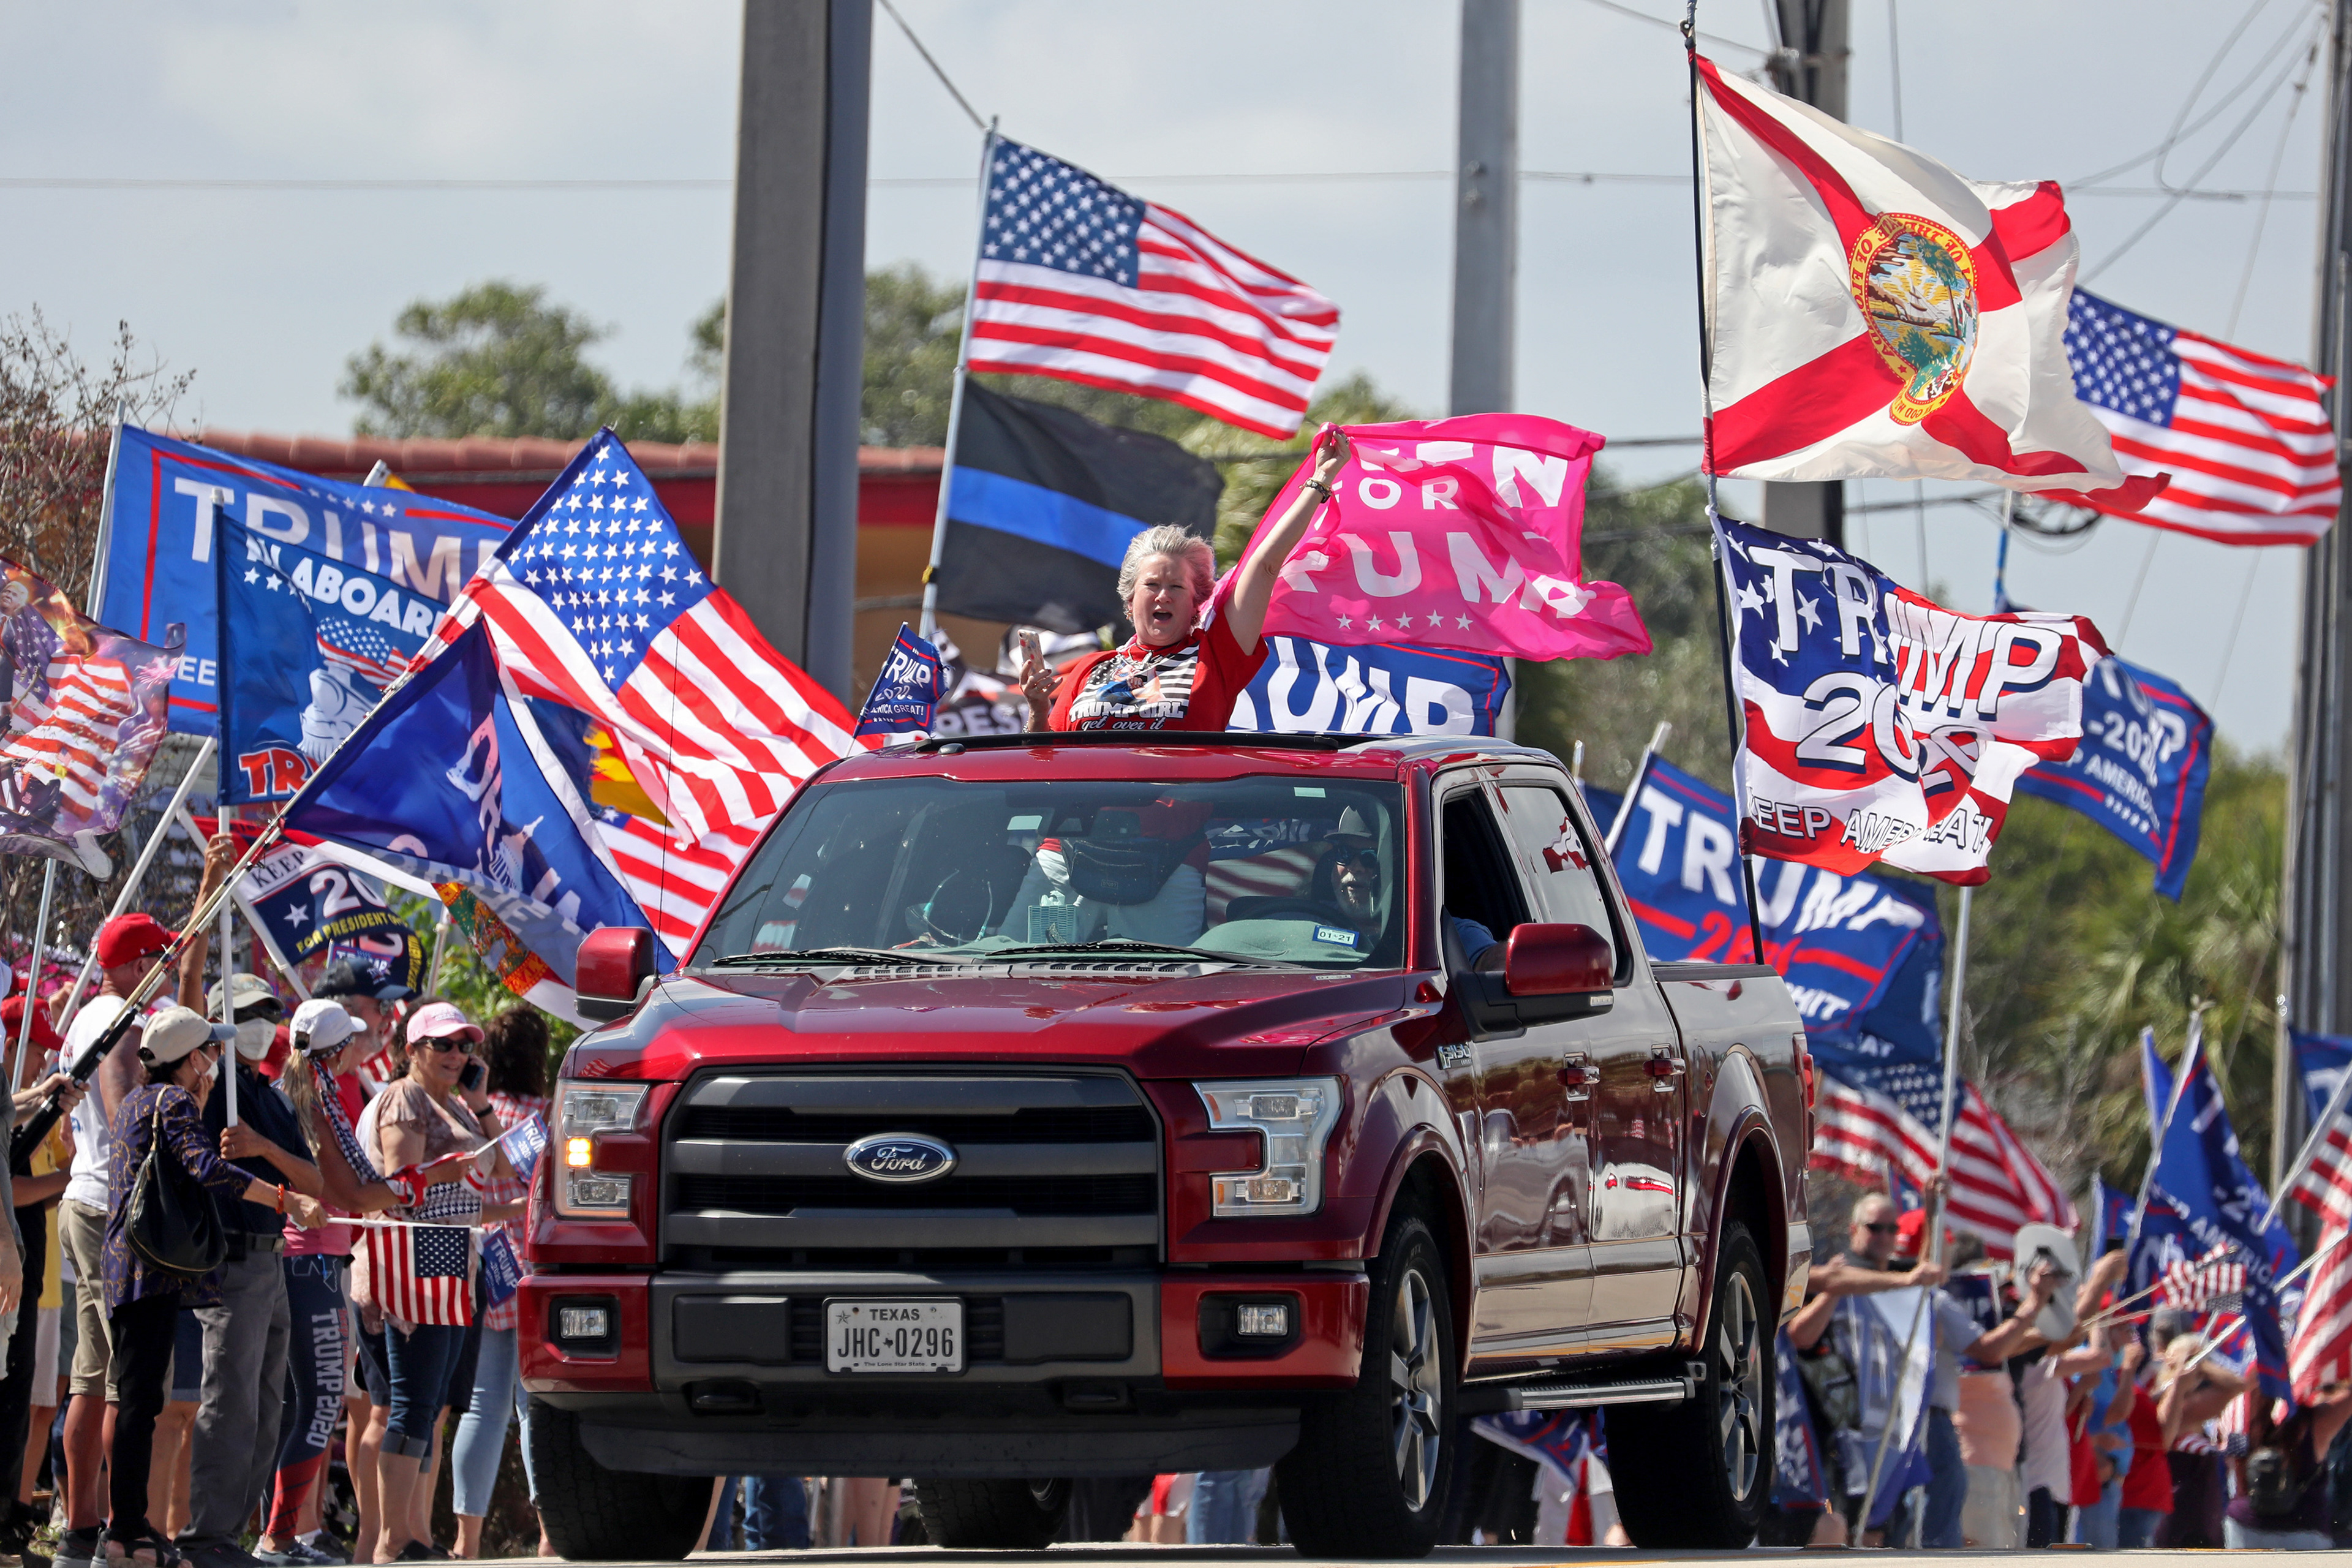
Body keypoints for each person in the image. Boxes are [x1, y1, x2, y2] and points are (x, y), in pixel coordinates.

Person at [55, 843, 233, 1568]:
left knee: (106, 1375)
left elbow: (186, 986)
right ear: (130, 967)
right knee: (116, 1380)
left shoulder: (121, 1012)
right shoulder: (111, 1017)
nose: (163, 973)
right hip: (111, 1213)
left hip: (99, 1206)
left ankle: (106, 1527)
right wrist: (187, 1113)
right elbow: (133, 1117)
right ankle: (101, 1529)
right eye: (154, 961)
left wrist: (210, 887)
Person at [100, 1007, 320, 1568]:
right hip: (147, 1273)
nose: (215, 1061)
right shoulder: (173, 1102)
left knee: (139, 1400)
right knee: (139, 1404)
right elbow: (207, 1168)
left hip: (133, 1268)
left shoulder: (137, 1101)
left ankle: (130, 1530)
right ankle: (124, 1534)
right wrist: (282, 1198)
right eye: (210, 1051)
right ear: (193, 1058)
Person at [233, 1001, 428, 1566]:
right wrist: (418, 1185)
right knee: (318, 1405)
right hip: (310, 1262)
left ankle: (285, 1535)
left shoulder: (299, 1089)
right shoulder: (318, 1097)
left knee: (301, 1406)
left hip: (308, 1260)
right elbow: (347, 1193)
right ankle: (277, 1538)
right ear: (339, 1052)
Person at [1021, 426, 1355, 732]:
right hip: (1089, 799)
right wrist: (1037, 710)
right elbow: (1048, 759)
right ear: (1129, 600)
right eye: (1151, 585)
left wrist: (1321, 479)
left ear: (1196, 602)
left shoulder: (1217, 656)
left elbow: (1265, 565)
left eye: (1176, 587)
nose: (1163, 596)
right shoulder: (1090, 669)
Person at [353, 1001, 517, 1563]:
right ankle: (391, 1540)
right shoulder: (405, 1097)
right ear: (412, 1050)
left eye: (465, 1046)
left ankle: (413, 1533)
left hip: (452, 1260)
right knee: (411, 1403)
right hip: (411, 1258)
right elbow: (401, 1182)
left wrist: (481, 1101)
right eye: (443, 1045)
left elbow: (505, 1173)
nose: (456, 1055)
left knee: (433, 1406)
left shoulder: (459, 1109)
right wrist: (447, 1172)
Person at [182, 974, 304, 1568]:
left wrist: (265, 1146)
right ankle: (207, 1534)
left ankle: (231, 1533)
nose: (264, 1020)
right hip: (229, 1257)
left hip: (272, 1257)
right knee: (229, 1401)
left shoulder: (270, 1095)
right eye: (250, 1011)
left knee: (266, 1403)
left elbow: (312, 1181)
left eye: (270, 1011)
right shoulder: (208, 1086)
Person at [451, 1008, 549, 1559]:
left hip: (484, 1264)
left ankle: (466, 1542)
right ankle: (549, 1534)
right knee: (533, 1407)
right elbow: (534, 1178)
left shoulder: (468, 1111)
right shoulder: (547, 1115)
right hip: (533, 1269)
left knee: (481, 1407)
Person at [2228, 1381, 2352, 1548]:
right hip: (2303, 1530)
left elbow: (2229, 1462)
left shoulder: (2238, 1417)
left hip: (2243, 1526)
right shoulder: (2315, 1423)